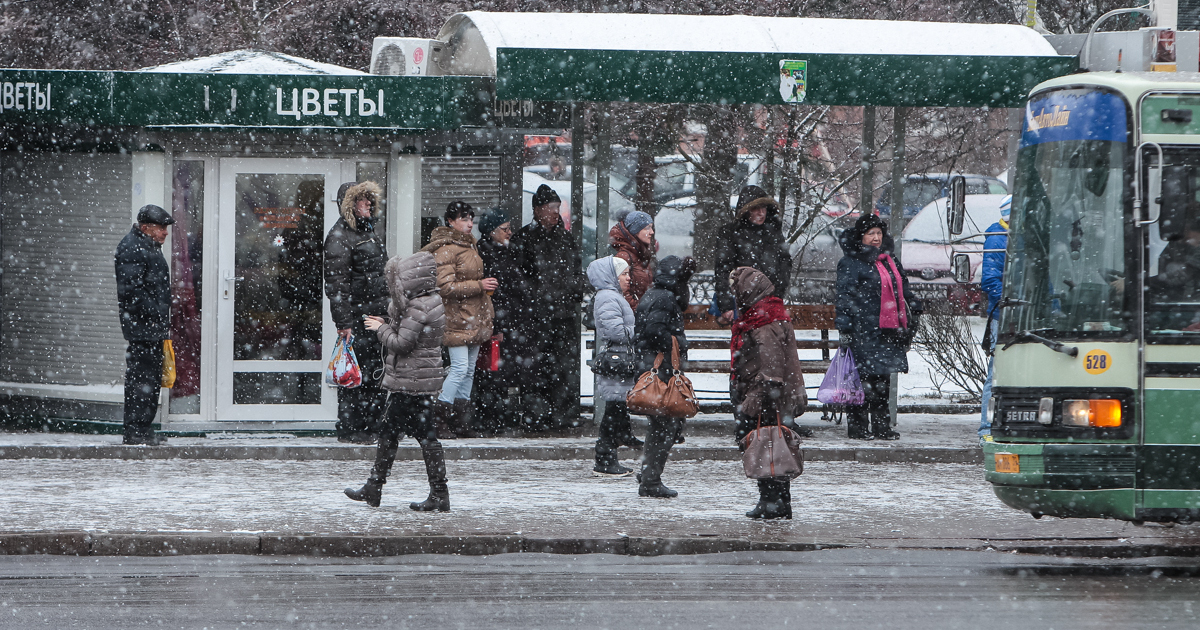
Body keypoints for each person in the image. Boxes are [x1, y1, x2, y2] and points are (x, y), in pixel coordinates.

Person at [346, 251, 449, 510]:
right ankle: (378, 486)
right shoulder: (430, 299)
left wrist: (380, 329)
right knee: (398, 432)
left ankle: (434, 493)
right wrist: (388, 322)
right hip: (419, 379)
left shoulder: (417, 306)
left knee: (412, 434)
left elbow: (402, 343)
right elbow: (411, 332)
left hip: (411, 381)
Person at [729, 266, 808, 519]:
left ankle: (770, 502)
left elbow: (771, 363)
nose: (734, 294)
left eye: (736, 289)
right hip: (773, 393)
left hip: (765, 394)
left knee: (765, 446)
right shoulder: (767, 313)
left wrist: (756, 395)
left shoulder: (764, 319)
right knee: (776, 446)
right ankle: (779, 502)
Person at [835, 214, 921, 441]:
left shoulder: (889, 260)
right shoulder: (851, 262)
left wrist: (914, 305)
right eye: (870, 233)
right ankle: (858, 427)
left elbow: (902, 286)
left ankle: (882, 427)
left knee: (882, 380)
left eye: (879, 233)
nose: (875, 238)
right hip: (862, 329)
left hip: (887, 330)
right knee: (861, 380)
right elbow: (844, 298)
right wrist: (844, 329)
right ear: (860, 236)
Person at [512, 184, 586, 431]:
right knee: (536, 368)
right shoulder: (523, 239)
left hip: (563, 315)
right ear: (538, 210)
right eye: (552, 208)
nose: (556, 213)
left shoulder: (565, 238)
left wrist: (574, 292)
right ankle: (537, 415)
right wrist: (535, 300)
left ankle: (564, 415)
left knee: (564, 367)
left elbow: (576, 270)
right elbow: (518, 278)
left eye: (558, 208)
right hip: (536, 317)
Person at [422, 201, 496, 439]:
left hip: (472, 317)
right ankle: (440, 418)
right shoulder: (446, 248)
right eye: (464, 219)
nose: (470, 223)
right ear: (450, 222)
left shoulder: (468, 246)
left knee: (468, 370)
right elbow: (444, 286)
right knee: (460, 368)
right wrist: (479, 286)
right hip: (457, 318)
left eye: (471, 219)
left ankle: (458, 421)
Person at [324, 181, 389, 444]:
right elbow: (336, 284)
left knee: (374, 371)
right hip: (358, 317)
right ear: (351, 204)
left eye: (369, 200)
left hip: (375, 315)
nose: (368, 205)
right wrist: (344, 322)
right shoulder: (340, 236)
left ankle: (371, 426)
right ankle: (353, 428)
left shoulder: (368, 232)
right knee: (356, 375)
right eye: (362, 200)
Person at [114, 204, 174, 446]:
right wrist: (156, 314)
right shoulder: (132, 248)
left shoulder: (147, 245)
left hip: (150, 327)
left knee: (148, 379)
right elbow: (131, 293)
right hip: (143, 328)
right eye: (161, 228)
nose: (165, 233)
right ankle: (135, 431)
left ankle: (142, 428)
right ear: (146, 227)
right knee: (142, 380)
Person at [633, 255, 690, 497]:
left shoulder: (656, 293)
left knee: (660, 426)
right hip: (662, 370)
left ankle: (648, 474)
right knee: (665, 427)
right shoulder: (665, 297)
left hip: (654, 367)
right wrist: (677, 343)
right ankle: (651, 481)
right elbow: (655, 331)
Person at [474, 207, 526, 435]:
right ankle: (489, 417)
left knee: (500, 370)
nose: (510, 232)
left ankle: (497, 415)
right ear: (491, 231)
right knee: (491, 370)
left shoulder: (509, 252)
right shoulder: (485, 254)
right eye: (504, 229)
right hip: (496, 321)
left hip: (509, 320)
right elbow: (496, 293)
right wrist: (497, 324)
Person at [589, 255, 639, 477]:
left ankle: (613, 450)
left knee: (616, 409)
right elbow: (614, 331)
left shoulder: (612, 296)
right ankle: (605, 459)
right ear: (611, 276)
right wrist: (639, 330)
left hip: (619, 359)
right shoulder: (609, 297)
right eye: (624, 274)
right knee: (613, 410)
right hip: (616, 360)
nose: (628, 278)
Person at [713, 186, 793, 325]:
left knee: (769, 342)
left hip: (770, 302)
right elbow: (723, 270)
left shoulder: (773, 233)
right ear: (746, 211)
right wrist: (726, 305)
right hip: (742, 303)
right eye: (756, 208)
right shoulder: (731, 234)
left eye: (764, 208)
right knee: (745, 342)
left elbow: (785, 264)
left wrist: (776, 295)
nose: (761, 213)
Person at [979, 195, 1010, 441]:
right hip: (1005, 314)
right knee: (997, 372)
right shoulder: (999, 238)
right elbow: (990, 280)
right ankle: (986, 428)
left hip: (1012, 311)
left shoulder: (1004, 235)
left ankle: (990, 427)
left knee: (998, 371)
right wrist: (1012, 303)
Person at [609, 210, 655, 310]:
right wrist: (639, 310)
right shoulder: (624, 257)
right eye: (647, 228)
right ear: (635, 231)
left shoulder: (640, 254)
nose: (652, 232)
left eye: (651, 227)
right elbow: (620, 292)